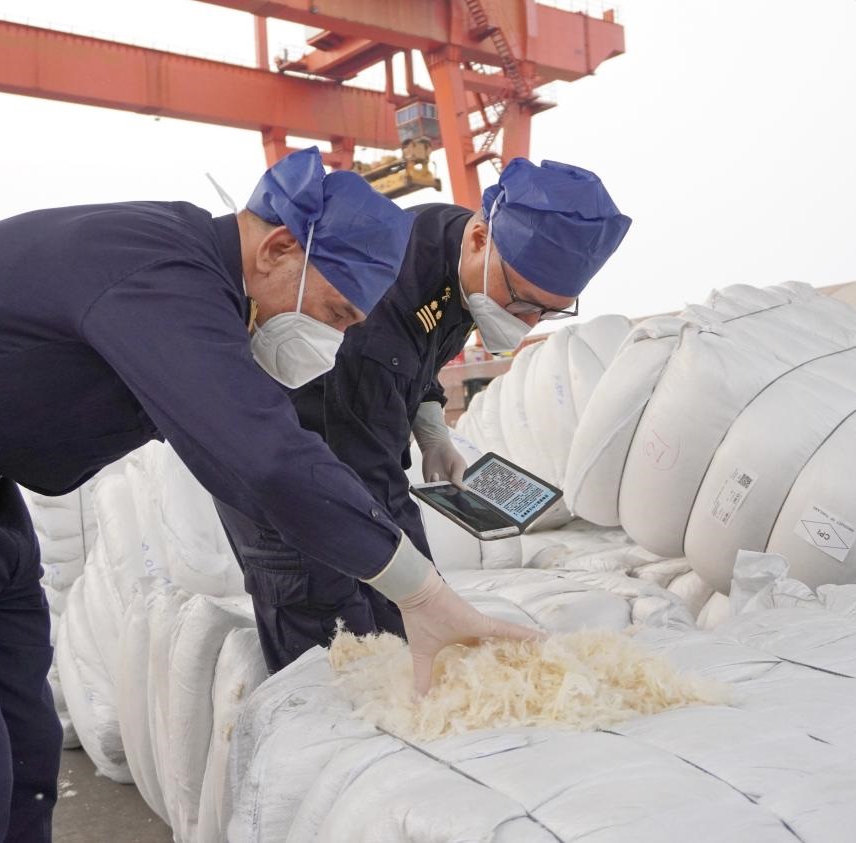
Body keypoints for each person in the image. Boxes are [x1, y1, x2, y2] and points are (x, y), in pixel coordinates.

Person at [0, 147, 537, 843]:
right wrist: (423, 593)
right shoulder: (159, 275)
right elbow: (264, 457)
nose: (331, 341)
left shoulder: (197, 281)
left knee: (21, 743)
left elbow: (269, 438)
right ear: (278, 249)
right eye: (335, 313)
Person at [215, 158, 631, 673]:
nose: (526, 321)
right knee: (331, 634)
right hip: (286, 464)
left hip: (353, 441)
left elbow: (423, 360)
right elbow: (372, 477)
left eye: (548, 311)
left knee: (391, 621)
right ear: (481, 237)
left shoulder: (451, 248)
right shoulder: (380, 306)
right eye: (522, 301)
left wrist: (432, 428)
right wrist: (428, 595)